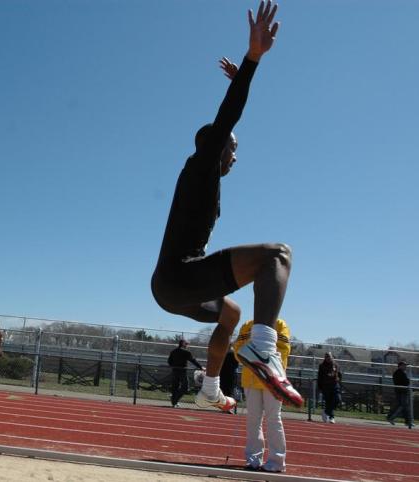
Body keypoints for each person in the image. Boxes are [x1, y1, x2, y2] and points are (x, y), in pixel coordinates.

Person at [150, 0, 302, 411]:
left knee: (231, 314)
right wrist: (252, 61)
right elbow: (226, 116)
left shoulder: (204, 179)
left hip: (171, 288)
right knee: (277, 255)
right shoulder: (200, 165)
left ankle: (210, 387)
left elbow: (228, 119)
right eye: (231, 148)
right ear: (215, 147)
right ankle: (262, 348)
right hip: (180, 277)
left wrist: (238, 82)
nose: (235, 156)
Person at [234, 319, 291, 472]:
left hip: (273, 379)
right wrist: (251, 359)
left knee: (274, 418)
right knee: (253, 419)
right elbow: (237, 348)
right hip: (250, 378)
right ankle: (253, 459)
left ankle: (277, 461)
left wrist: (258, 357)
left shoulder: (280, 324)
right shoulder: (247, 325)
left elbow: (284, 349)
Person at [167, 339, 203, 408]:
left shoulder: (173, 351)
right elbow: (193, 360)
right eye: (186, 344)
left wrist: (174, 366)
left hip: (174, 370)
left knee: (175, 387)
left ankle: (174, 402)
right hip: (182, 371)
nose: (187, 345)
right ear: (183, 344)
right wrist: (201, 367)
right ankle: (175, 400)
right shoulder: (186, 352)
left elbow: (169, 362)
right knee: (185, 387)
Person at [387, 361, 414, 429]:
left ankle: (407, 421)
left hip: (401, 391)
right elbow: (406, 382)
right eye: (404, 365)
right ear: (400, 366)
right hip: (402, 391)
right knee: (404, 406)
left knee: (402, 406)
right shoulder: (399, 373)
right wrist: (408, 380)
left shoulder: (401, 373)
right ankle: (392, 418)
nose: (405, 367)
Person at [317, 352, 342, 423]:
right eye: (326, 357)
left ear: (332, 357)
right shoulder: (322, 366)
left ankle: (326, 411)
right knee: (329, 402)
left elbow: (340, 375)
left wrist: (339, 380)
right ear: (325, 358)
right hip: (326, 386)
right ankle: (331, 417)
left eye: (329, 357)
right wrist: (320, 387)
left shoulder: (336, 365)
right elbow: (319, 377)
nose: (328, 358)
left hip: (335, 385)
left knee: (337, 399)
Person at [220, 344, 240, 412]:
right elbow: (236, 365)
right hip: (231, 375)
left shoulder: (222, 353)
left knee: (224, 391)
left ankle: (224, 407)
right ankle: (228, 408)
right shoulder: (233, 354)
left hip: (222, 374)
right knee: (229, 392)